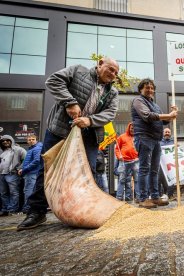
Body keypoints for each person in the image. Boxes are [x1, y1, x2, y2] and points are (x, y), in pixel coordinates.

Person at [17, 57, 119, 231]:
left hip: (89, 136)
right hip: (60, 130)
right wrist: (69, 102)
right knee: (47, 169)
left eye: (116, 73)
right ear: (100, 63)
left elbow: (111, 113)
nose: (113, 74)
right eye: (111, 69)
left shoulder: (113, 92)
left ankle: (87, 210)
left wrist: (90, 120)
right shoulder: (78, 71)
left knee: (89, 172)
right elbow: (53, 81)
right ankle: (36, 212)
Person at [131, 78, 177, 209]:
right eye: (147, 87)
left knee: (154, 169)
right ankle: (143, 198)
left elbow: (164, 121)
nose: (150, 90)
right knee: (144, 169)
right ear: (141, 89)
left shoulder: (155, 105)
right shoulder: (138, 101)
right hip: (144, 138)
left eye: (152, 88)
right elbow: (147, 116)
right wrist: (168, 114)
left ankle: (155, 197)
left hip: (156, 139)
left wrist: (172, 114)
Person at [0, 135, 26, 216]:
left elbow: (26, 159)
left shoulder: (19, 149)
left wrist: (19, 168)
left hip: (13, 174)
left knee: (13, 193)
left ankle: (12, 209)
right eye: (3, 141)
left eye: (7, 140)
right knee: (3, 193)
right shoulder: (2, 151)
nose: (5, 142)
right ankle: (5, 209)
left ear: (11, 140)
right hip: (2, 174)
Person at [115, 122, 139, 201]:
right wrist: (119, 156)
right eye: (132, 128)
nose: (133, 130)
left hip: (135, 161)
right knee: (122, 180)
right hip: (124, 162)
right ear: (129, 128)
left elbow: (142, 149)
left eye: (135, 128)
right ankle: (119, 198)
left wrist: (139, 157)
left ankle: (138, 198)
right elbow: (117, 149)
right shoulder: (122, 137)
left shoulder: (138, 137)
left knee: (137, 180)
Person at [20, 135, 43, 212]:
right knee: (29, 190)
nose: (31, 141)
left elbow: (36, 161)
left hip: (32, 173)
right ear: (27, 141)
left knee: (28, 190)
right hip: (31, 173)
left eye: (33, 139)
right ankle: (29, 207)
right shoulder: (31, 149)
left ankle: (27, 208)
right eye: (29, 139)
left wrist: (24, 170)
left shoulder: (37, 148)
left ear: (36, 140)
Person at [159, 127, 174, 199]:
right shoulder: (159, 142)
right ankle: (160, 196)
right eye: (166, 132)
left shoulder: (174, 142)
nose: (167, 133)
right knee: (159, 179)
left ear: (170, 134)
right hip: (161, 165)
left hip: (170, 165)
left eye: (168, 132)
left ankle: (170, 196)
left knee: (171, 179)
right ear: (163, 133)